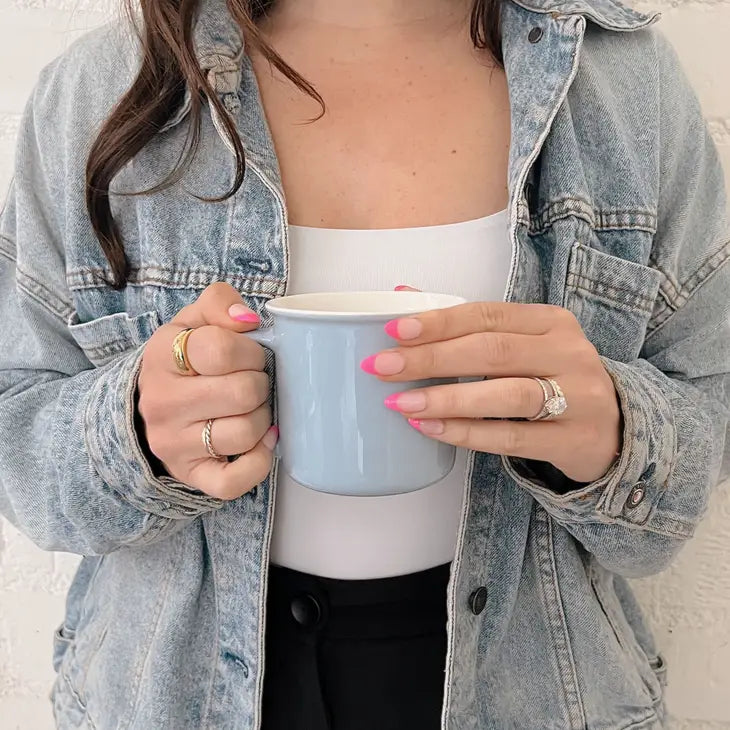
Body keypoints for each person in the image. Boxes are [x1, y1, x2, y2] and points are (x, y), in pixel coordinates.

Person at [0, 0, 727, 727]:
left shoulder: (625, 84)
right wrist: (134, 430)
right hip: (171, 690)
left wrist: (618, 431)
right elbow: (17, 426)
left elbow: (711, 405)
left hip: (533, 684)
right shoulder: (98, 91)